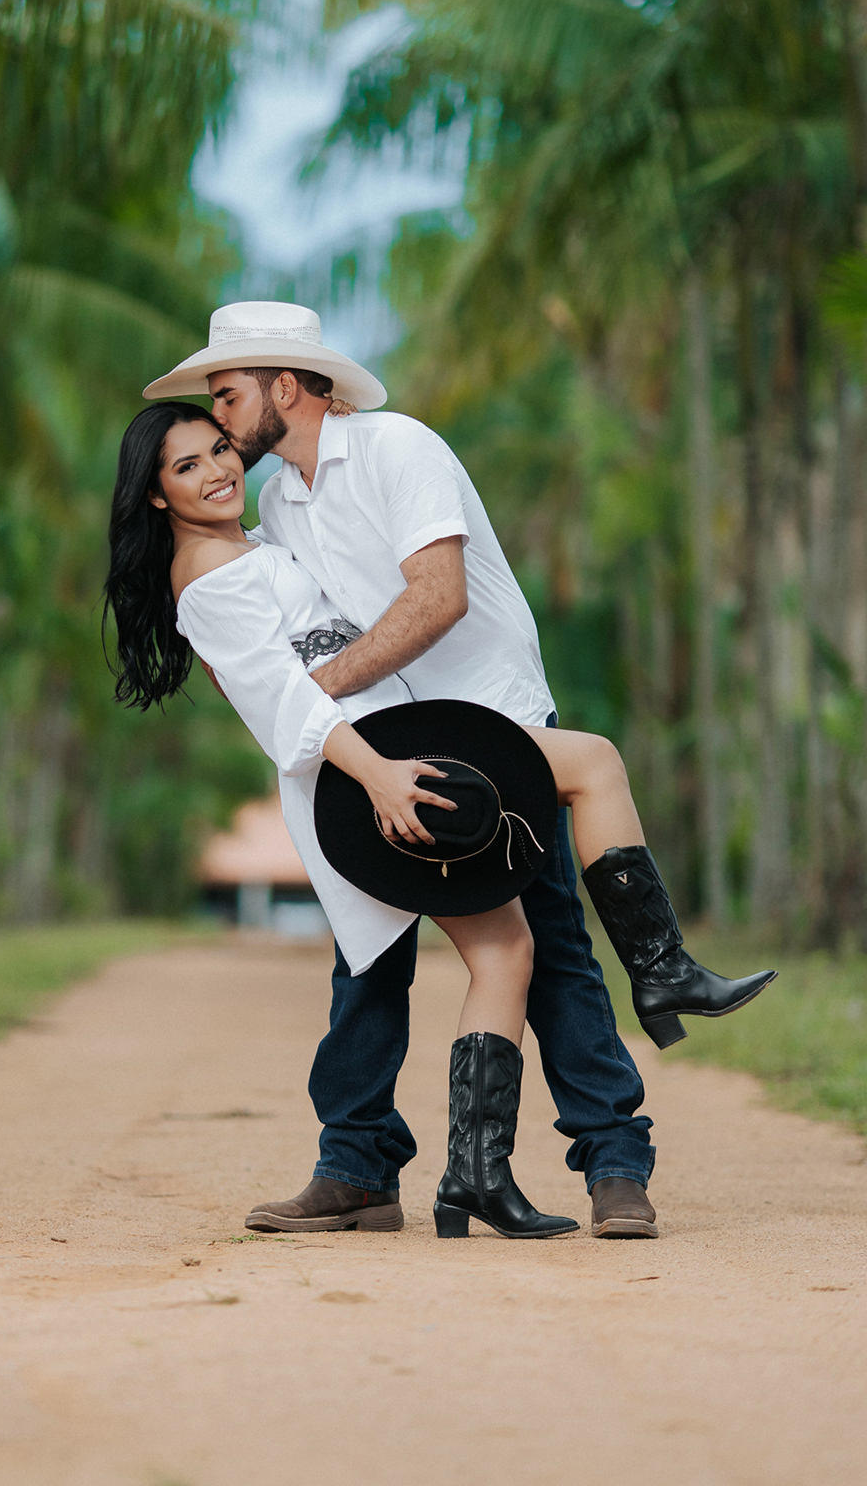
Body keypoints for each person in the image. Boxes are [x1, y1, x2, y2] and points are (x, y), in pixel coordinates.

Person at [106, 370, 775, 1239]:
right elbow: (282, 699)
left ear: (284, 387)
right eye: (188, 464)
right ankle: (647, 987)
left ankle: (470, 1172)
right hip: (382, 763)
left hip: (432, 736)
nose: (220, 462)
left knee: (506, 948)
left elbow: (422, 601)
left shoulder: (299, 507)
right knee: (512, 897)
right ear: (156, 498)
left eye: (220, 437)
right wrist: (378, 771)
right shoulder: (218, 567)